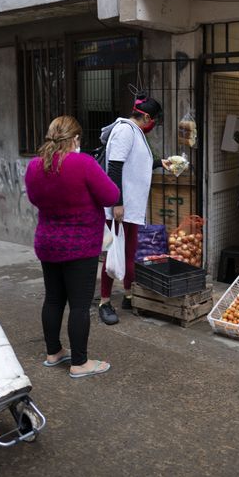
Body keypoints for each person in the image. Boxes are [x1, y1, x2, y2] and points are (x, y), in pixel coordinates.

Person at [25, 116, 119, 379]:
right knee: (79, 305)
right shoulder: (83, 163)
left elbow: (34, 198)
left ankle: (53, 352)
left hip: (48, 242)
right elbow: (111, 195)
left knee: (53, 298)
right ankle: (79, 362)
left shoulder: (35, 165)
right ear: (76, 139)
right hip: (80, 245)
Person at [97, 92, 169, 324]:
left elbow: (135, 164)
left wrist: (160, 163)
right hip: (118, 208)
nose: (153, 125)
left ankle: (128, 295)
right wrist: (117, 203)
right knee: (111, 254)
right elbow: (115, 168)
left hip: (131, 208)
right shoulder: (125, 131)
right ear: (146, 117)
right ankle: (105, 302)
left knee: (129, 254)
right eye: (154, 121)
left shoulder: (135, 132)